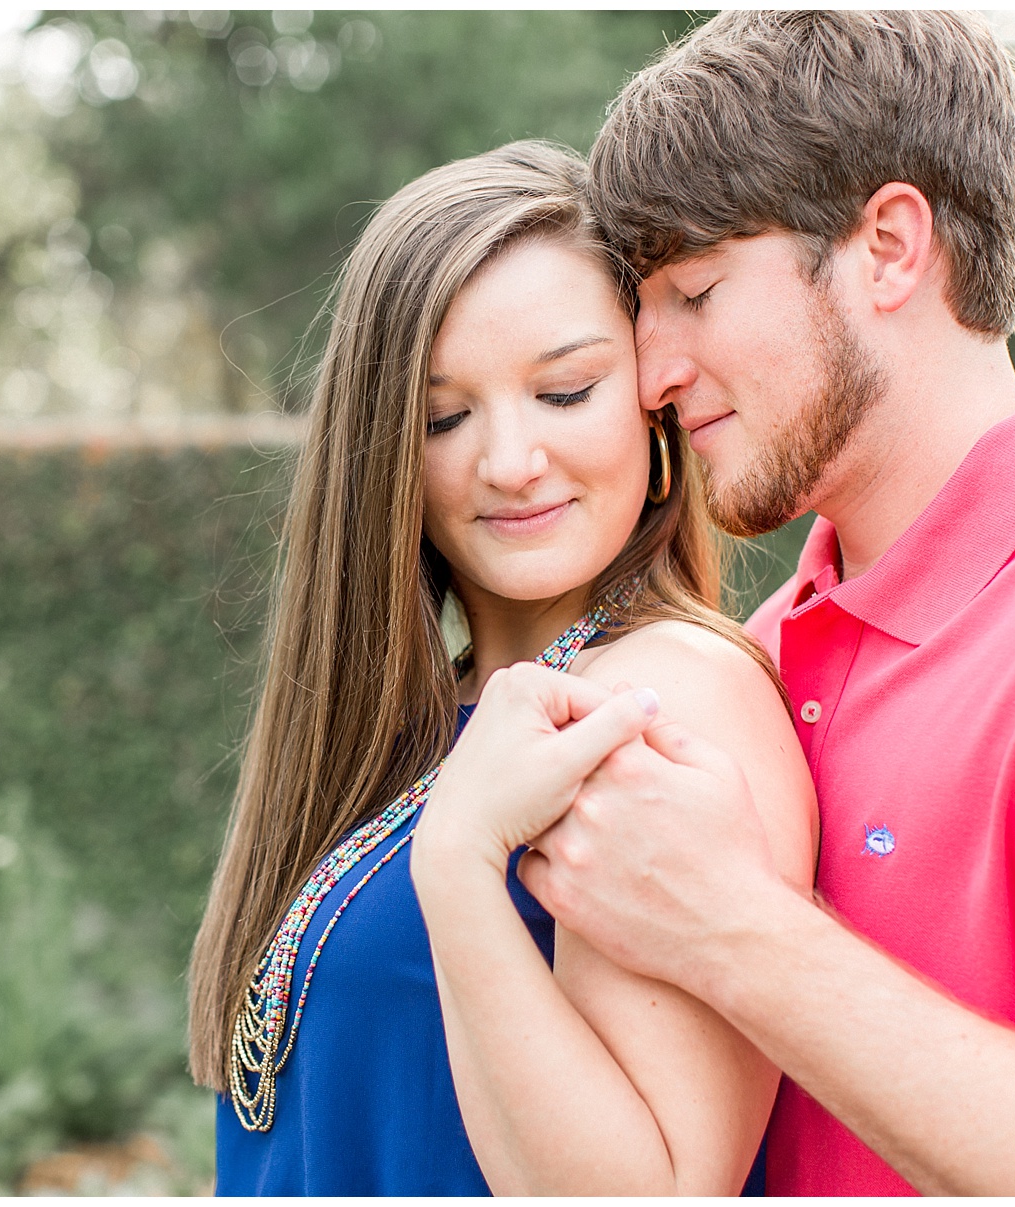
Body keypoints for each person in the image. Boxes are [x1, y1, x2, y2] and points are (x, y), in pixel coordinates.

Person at [463, 10, 1015, 1196]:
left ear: (890, 246)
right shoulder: (765, 647)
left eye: (695, 290)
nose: (650, 372)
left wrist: (735, 928)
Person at [185, 140, 817, 1195]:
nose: (510, 461)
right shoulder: (420, 723)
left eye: (565, 391)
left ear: (654, 404)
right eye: (444, 416)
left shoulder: (656, 699)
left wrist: (459, 865)